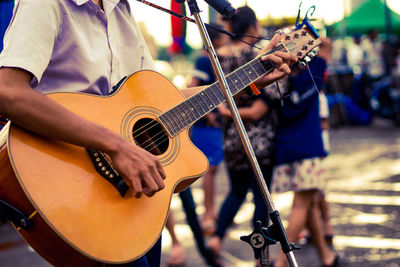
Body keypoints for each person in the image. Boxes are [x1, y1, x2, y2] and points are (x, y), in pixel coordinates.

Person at [0, 1, 295, 266]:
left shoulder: (122, 12)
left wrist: (249, 79)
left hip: (134, 201)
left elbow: (160, 103)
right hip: (72, 189)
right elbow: (7, 92)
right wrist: (115, 145)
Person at [206, 6, 282, 265]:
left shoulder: (218, 56)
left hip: (232, 138)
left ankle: (216, 239)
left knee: (236, 192)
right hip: (259, 139)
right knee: (261, 196)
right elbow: (265, 105)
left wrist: (227, 112)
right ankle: (262, 257)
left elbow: (217, 97)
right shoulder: (256, 56)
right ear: (252, 28)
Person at [270, 38, 339, 267]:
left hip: (286, 149)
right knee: (301, 205)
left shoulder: (278, 81)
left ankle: (326, 256)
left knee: (308, 205)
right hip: (309, 149)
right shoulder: (315, 72)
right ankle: (282, 262)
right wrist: (308, 37)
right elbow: (326, 44)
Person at [188, 23, 227, 236]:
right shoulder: (204, 60)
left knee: (213, 168)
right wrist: (208, 114)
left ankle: (210, 212)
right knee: (210, 169)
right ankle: (209, 214)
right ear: (216, 39)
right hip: (206, 125)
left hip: (212, 125)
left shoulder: (212, 59)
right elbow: (193, 87)